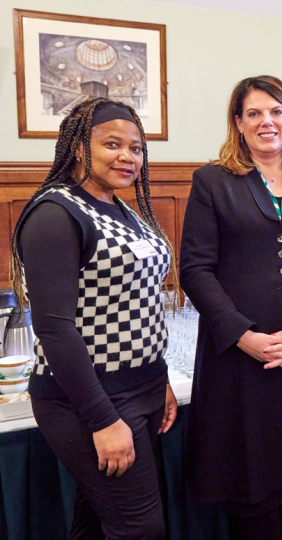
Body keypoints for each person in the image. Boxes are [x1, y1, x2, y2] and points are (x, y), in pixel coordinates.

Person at [179, 75, 282, 540]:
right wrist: (242, 335)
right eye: (253, 113)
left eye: (276, 111)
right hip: (239, 361)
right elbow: (194, 269)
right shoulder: (212, 181)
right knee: (249, 490)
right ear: (238, 123)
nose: (266, 121)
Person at [11, 97, 178, 540]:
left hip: (140, 390)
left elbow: (137, 305)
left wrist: (157, 381)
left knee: (99, 518)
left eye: (137, 148)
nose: (128, 157)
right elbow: (54, 329)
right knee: (140, 528)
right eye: (112, 144)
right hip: (89, 400)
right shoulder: (56, 213)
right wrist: (102, 419)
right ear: (80, 147)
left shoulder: (120, 208)